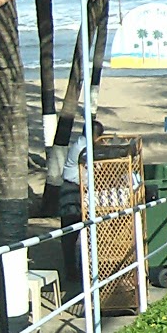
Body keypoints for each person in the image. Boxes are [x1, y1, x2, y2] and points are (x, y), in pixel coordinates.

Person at [60, 120, 105, 283]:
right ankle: (72, 273)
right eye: (99, 136)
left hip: (78, 190)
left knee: (78, 234)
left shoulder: (85, 146)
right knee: (70, 235)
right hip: (72, 192)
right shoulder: (84, 149)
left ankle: (79, 270)